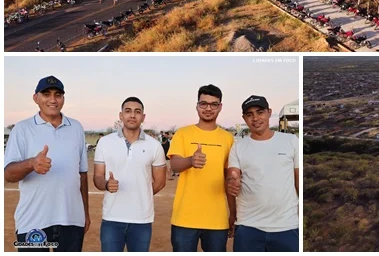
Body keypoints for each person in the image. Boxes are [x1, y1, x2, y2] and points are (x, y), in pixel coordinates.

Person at [4, 76, 90, 252]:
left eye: (58, 95)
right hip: (32, 222)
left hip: (71, 220)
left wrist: (85, 213)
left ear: (63, 98)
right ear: (36, 98)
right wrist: (31, 164)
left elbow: (82, 174)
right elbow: (8, 174)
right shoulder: (22, 129)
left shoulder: (76, 127)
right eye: (46, 94)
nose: (53, 99)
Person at [226, 95, 299, 252]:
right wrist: (232, 182)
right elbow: (232, 176)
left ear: (269, 112)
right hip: (248, 226)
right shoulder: (238, 147)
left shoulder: (291, 141)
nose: (255, 118)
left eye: (260, 112)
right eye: (249, 114)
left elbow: (299, 181)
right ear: (244, 118)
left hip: (286, 226)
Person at [93, 97, 167, 252]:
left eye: (137, 112)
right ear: (121, 115)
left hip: (141, 220)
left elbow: (160, 182)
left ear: (143, 117)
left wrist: (141, 193)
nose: (132, 115)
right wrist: (106, 184)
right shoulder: (105, 142)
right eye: (128, 111)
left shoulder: (154, 146)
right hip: (112, 218)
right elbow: (98, 177)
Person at [167, 84, 235, 251]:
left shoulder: (228, 139)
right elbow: (174, 165)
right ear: (197, 106)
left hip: (216, 220)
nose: (208, 108)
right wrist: (190, 160)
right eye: (203, 103)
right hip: (185, 218)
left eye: (214, 104)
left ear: (220, 107)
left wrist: (233, 213)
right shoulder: (183, 133)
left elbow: (229, 179)